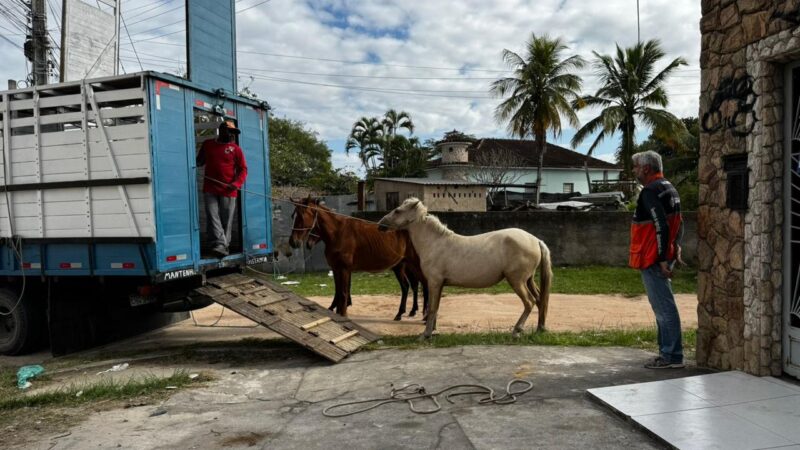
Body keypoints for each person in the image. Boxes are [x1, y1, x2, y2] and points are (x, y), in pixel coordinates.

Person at [629, 150, 684, 369]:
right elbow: (679, 220)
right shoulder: (668, 187)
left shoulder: (650, 191)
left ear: (646, 168)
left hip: (652, 256)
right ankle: (667, 353)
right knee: (663, 306)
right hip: (661, 253)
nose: (634, 171)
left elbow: (660, 223)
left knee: (664, 308)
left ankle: (671, 356)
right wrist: (676, 245)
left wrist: (661, 257)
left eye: (635, 167)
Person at [196, 120, 248, 258]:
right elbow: (199, 161)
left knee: (226, 220)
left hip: (229, 189)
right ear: (221, 131)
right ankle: (220, 244)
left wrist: (236, 183)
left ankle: (223, 245)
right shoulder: (208, 144)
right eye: (229, 131)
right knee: (212, 216)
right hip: (210, 187)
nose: (232, 135)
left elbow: (243, 169)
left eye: (234, 132)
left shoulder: (236, 149)